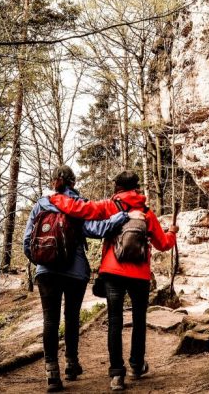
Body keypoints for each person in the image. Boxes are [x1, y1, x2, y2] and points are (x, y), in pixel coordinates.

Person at [47, 171, 178, 391]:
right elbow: (163, 244)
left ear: (117, 187)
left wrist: (56, 198)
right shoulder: (146, 212)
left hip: (113, 271)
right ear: (136, 188)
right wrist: (172, 232)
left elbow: (81, 210)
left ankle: (117, 374)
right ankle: (136, 365)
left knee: (115, 321)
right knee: (139, 320)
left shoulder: (110, 206)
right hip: (140, 275)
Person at [23, 165, 129, 392]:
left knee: (50, 321)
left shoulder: (40, 204)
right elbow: (99, 229)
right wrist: (122, 216)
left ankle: (52, 373)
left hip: (46, 272)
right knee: (71, 318)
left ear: (54, 181)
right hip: (75, 272)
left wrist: (43, 262)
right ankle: (71, 364)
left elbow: (26, 242)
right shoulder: (79, 205)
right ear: (73, 182)